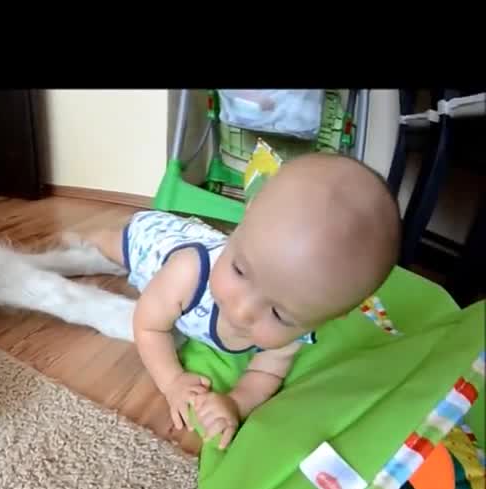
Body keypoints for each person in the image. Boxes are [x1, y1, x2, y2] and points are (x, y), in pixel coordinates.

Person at [74, 153, 402, 449]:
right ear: (245, 218)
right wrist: (172, 380)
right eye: (241, 271)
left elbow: (266, 376)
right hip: (155, 242)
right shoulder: (189, 272)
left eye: (278, 314)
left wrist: (235, 403)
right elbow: (148, 325)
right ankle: (89, 237)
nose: (243, 312)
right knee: (111, 249)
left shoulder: (292, 337)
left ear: (332, 316)